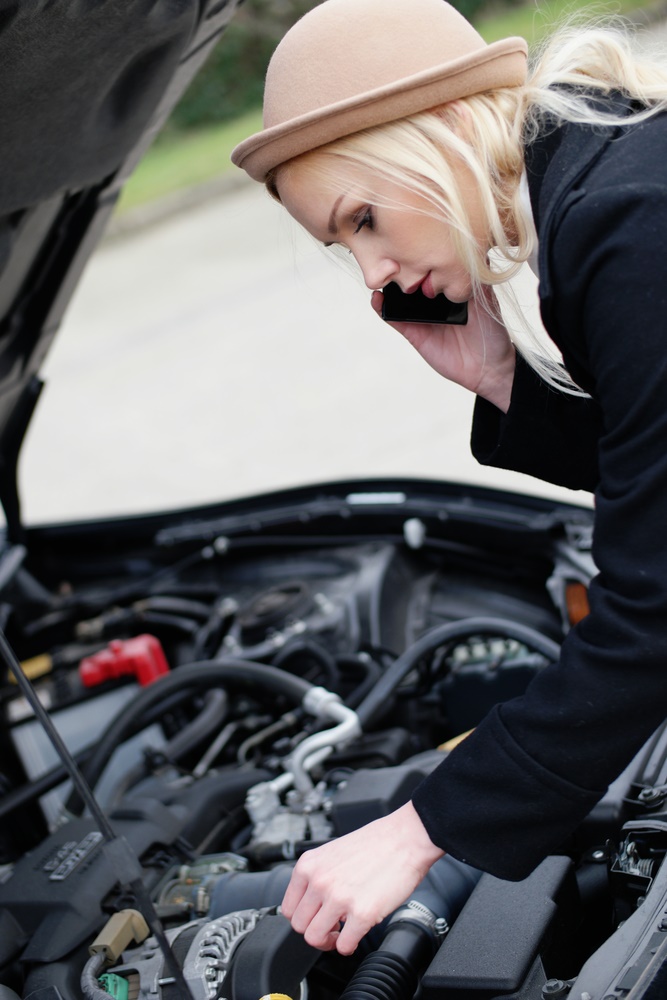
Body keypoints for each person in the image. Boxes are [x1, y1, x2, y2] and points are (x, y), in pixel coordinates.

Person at [232, 0, 667, 957]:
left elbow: (656, 611)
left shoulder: (625, 221)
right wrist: (501, 378)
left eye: (363, 218)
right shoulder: (615, 176)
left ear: (430, 127)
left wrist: (419, 829)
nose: (372, 270)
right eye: (343, 247)